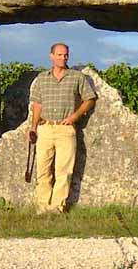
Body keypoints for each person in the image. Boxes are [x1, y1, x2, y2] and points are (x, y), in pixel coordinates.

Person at [27, 42, 97, 213]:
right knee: (42, 170)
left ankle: (57, 207)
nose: (63, 58)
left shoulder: (77, 77)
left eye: (65, 55)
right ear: (51, 56)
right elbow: (37, 105)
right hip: (45, 128)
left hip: (65, 130)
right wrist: (33, 127)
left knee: (63, 171)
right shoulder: (42, 78)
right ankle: (43, 207)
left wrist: (75, 116)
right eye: (59, 55)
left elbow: (90, 99)